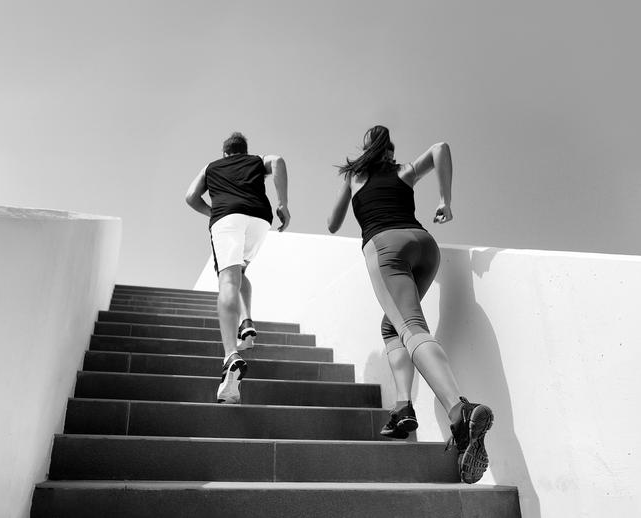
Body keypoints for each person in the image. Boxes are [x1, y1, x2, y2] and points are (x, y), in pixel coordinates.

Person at [326, 125, 493, 484]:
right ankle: (403, 406)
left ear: (366, 151)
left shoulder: (356, 176)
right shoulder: (404, 172)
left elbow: (332, 224)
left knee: (409, 328)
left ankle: (459, 410)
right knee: (392, 326)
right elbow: (441, 147)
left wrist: (350, 189)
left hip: (386, 246)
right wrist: (444, 199)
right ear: (390, 151)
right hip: (424, 244)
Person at [184, 132, 290, 404]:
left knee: (228, 280)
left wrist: (215, 211)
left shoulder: (212, 166)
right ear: (244, 150)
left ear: (224, 152)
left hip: (227, 218)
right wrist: (283, 204)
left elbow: (190, 197)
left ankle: (231, 353)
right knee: (241, 271)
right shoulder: (256, 161)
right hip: (259, 219)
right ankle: (247, 322)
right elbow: (277, 160)